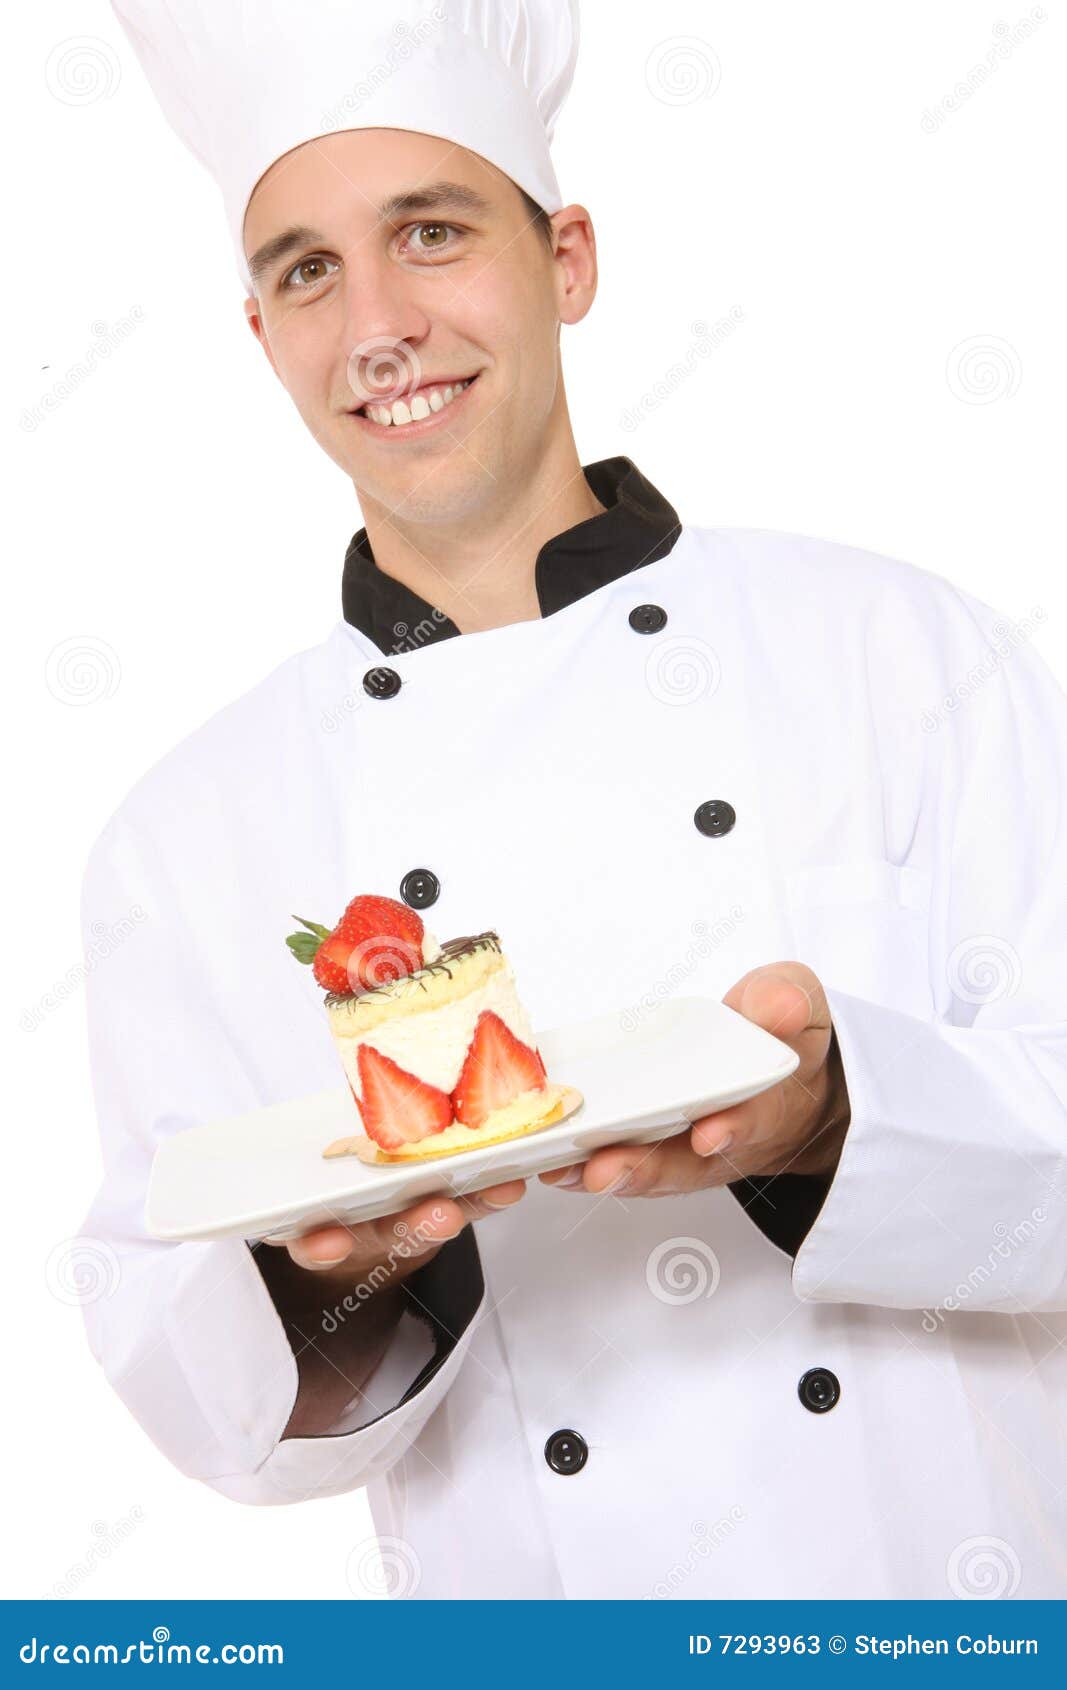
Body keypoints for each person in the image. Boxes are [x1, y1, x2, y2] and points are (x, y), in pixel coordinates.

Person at [80, 0, 1067, 1598]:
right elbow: (197, 1394)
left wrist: (834, 1118)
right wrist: (356, 1264)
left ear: (570, 261)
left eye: (432, 230)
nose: (379, 323)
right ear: (262, 337)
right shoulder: (187, 839)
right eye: (308, 269)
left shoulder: (901, 651)